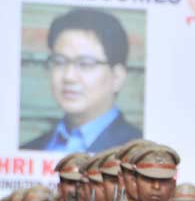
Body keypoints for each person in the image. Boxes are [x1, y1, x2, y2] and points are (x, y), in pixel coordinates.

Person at [23, 8, 142, 152]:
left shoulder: (140, 152)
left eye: (85, 64)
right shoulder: (29, 150)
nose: (69, 77)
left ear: (117, 76)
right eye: (59, 62)